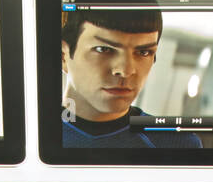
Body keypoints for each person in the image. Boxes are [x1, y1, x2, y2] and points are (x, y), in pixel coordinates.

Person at [59, 8, 201, 149]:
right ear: (64, 57)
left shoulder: (178, 144)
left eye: (143, 52)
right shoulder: (38, 134)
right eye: (104, 49)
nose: (126, 71)